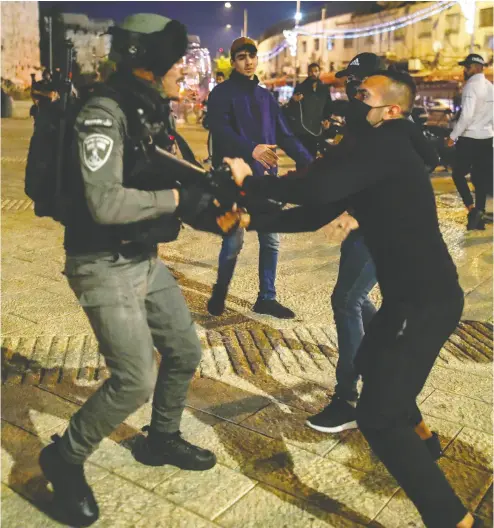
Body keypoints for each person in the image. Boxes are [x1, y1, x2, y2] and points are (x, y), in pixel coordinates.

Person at [224, 70, 479, 527]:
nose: (350, 101)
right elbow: (314, 213)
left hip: (424, 304)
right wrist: (250, 222)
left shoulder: (386, 146)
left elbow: (313, 188)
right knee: (372, 362)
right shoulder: (380, 151)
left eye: (362, 95)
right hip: (410, 300)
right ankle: (424, 443)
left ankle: (454, 521)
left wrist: (251, 183)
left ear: (391, 109)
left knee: (378, 419)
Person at [38, 14, 218, 527]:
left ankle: (160, 438)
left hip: (142, 256)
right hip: (102, 262)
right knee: (135, 379)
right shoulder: (102, 110)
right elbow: (106, 202)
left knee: (184, 349)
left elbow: (166, 175)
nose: (181, 68)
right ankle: (64, 457)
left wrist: (210, 206)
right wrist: (180, 197)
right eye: (174, 60)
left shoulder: (149, 109)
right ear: (149, 60)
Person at [206, 37, 313, 319]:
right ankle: (220, 293)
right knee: (233, 241)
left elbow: (285, 135)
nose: (248, 61)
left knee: (271, 240)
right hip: (234, 179)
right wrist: (250, 148)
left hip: (267, 180)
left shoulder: (266, 97)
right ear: (233, 61)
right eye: (242, 57)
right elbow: (220, 130)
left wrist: (312, 166)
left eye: (252, 56)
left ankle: (267, 297)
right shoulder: (221, 94)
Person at [447, 53, 494, 231]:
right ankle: (479, 212)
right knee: (481, 178)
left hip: (469, 138)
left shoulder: (471, 86)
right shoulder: (491, 87)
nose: (464, 70)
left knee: (458, 174)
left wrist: (453, 137)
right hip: (486, 138)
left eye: (467, 67)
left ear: (475, 67)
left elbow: (466, 116)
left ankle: (472, 209)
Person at [286, 62, 333, 159]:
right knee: (302, 158)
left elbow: (328, 107)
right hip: (303, 130)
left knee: (315, 158)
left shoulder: (324, 88)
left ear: (319, 72)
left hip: (317, 129)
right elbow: (291, 108)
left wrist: (327, 119)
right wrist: (294, 101)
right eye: (311, 71)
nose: (313, 73)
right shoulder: (300, 87)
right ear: (308, 73)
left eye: (316, 71)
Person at [203, 71, 225, 163]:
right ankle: (212, 156)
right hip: (215, 119)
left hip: (223, 120)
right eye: (218, 79)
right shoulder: (214, 92)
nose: (219, 81)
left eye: (220, 79)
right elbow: (210, 104)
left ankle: (215, 157)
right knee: (212, 139)